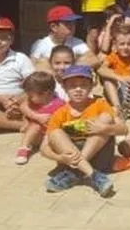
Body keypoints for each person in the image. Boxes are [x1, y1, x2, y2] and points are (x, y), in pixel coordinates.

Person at [43, 65, 125, 196]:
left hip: (99, 156)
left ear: (92, 86)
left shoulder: (100, 104)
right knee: (55, 133)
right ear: (64, 87)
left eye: (83, 85)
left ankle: (75, 172)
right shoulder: (60, 113)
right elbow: (44, 148)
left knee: (105, 119)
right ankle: (93, 175)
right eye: (72, 86)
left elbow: (123, 129)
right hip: (70, 158)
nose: (78, 90)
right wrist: (60, 158)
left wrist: (105, 128)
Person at [15, 72, 65, 165]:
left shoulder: (59, 104)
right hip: (36, 136)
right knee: (36, 126)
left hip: (50, 135)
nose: (29, 98)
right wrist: (35, 117)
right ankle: (23, 148)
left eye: (31, 96)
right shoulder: (32, 102)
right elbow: (23, 107)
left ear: (46, 93)